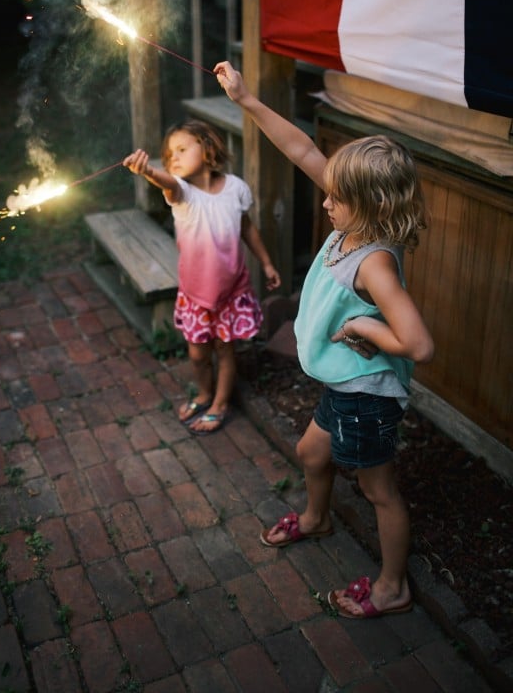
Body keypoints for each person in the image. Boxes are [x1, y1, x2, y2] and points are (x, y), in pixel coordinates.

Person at [214, 60, 434, 620]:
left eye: (335, 197)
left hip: (367, 395)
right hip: (343, 387)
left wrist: (364, 327)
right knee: (312, 452)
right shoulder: (353, 218)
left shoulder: (375, 261)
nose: (325, 200)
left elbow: (419, 344)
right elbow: (301, 150)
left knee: (378, 490)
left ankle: (392, 586)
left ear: (372, 204)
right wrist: (246, 100)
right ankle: (317, 518)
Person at [123, 118, 281, 435]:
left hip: (232, 292)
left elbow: (247, 227)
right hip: (197, 295)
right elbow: (166, 181)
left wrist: (266, 263)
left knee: (225, 350)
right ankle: (205, 392)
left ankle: (220, 403)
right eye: (169, 155)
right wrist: (148, 172)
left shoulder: (236, 189)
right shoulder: (182, 193)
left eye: (182, 149)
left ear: (207, 147)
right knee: (197, 354)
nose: (174, 158)